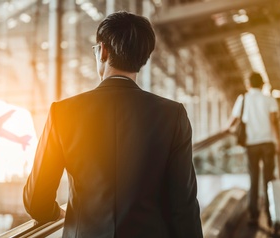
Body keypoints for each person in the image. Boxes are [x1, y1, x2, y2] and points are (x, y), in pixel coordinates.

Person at [23, 11, 203, 238]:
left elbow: (36, 201)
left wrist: (56, 213)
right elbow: (183, 206)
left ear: (103, 51)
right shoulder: (172, 114)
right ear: (143, 58)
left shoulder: (63, 112)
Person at [225, 72, 280, 227]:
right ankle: (272, 215)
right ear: (263, 84)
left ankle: (253, 215)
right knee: (269, 178)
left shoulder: (243, 99)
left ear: (248, 84)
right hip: (268, 143)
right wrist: (279, 142)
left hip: (251, 144)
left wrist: (226, 129)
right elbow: (274, 122)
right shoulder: (269, 99)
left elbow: (233, 120)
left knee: (254, 178)